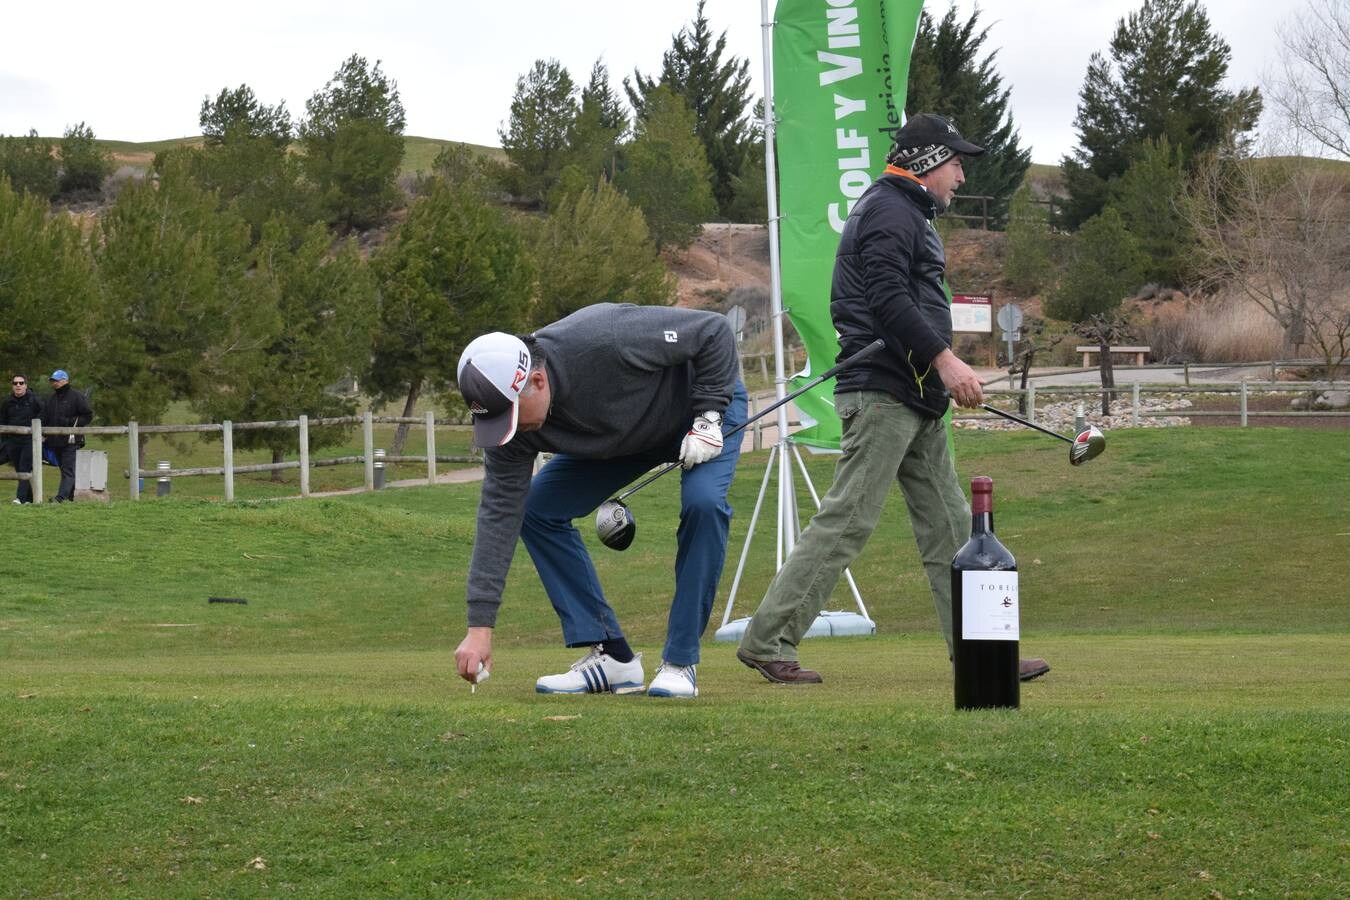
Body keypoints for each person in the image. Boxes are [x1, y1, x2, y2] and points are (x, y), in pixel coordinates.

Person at [735, 114, 1050, 685]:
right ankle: (767, 640)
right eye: (955, 163)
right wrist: (946, 360)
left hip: (915, 395)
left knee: (953, 528)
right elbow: (885, 299)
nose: (960, 175)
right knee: (848, 520)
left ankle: (982, 649)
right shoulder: (889, 210)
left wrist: (936, 375)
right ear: (928, 162)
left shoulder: (908, 212)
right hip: (883, 393)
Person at [452, 302, 747, 699]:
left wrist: (709, 416)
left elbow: (713, 331)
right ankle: (613, 658)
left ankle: (680, 661)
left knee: (704, 504)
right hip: (622, 438)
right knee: (536, 510)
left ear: (537, 381)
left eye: (512, 415)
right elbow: (498, 515)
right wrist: (479, 629)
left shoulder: (606, 337)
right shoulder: (510, 428)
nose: (510, 430)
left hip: (700, 414)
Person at [40, 369, 93, 503]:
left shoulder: (76, 396)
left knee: (68, 470)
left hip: (72, 440)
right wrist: (41, 432)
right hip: (55, 441)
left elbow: (88, 415)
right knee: (65, 469)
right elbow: (46, 418)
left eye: (57, 380)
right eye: (53, 381)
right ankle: (70, 498)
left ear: (65, 380)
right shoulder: (51, 399)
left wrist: (69, 423)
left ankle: (60, 498)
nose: (55, 383)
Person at [0, 374, 43, 504]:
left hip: (29, 440)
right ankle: (29, 499)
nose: (18, 385)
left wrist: (40, 433)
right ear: (12, 386)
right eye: (15, 383)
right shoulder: (7, 402)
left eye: (21, 383)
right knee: (20, 470)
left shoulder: (34, 400)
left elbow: (43, 414)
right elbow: (3, 420)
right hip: (12, 441)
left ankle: (20, 498)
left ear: (26, 385)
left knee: (25, 467)